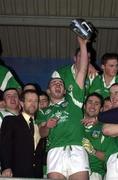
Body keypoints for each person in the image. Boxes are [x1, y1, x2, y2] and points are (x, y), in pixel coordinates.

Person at [37, 36, 90, 180]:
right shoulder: (43, 111)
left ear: (65, 91)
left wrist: (82, 44)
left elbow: (83, 70)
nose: (58, 84)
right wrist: (47, 126)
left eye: (60, 83)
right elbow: (42, 133)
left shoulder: (75, 101)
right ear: (48, 91)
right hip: (55, 152)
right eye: (54, 83)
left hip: (77, 150)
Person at [0, 89, 44, 178]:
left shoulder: (40, 125)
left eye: (36, 101)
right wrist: (6, 167)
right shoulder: (10, 120)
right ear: (22, 103)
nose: (33, 104)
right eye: (29, 101)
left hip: (36, 174)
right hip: (16, 172)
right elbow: (5, 144)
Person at [82, 93, 118, 180]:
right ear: (84, 106)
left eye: (97, 103)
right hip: (71, 167)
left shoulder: (106, 129)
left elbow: (110, 156)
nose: (93, 106)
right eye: (90, 102)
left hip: (94, 172)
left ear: (101, 109)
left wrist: (93, 151)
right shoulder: (75, 124)